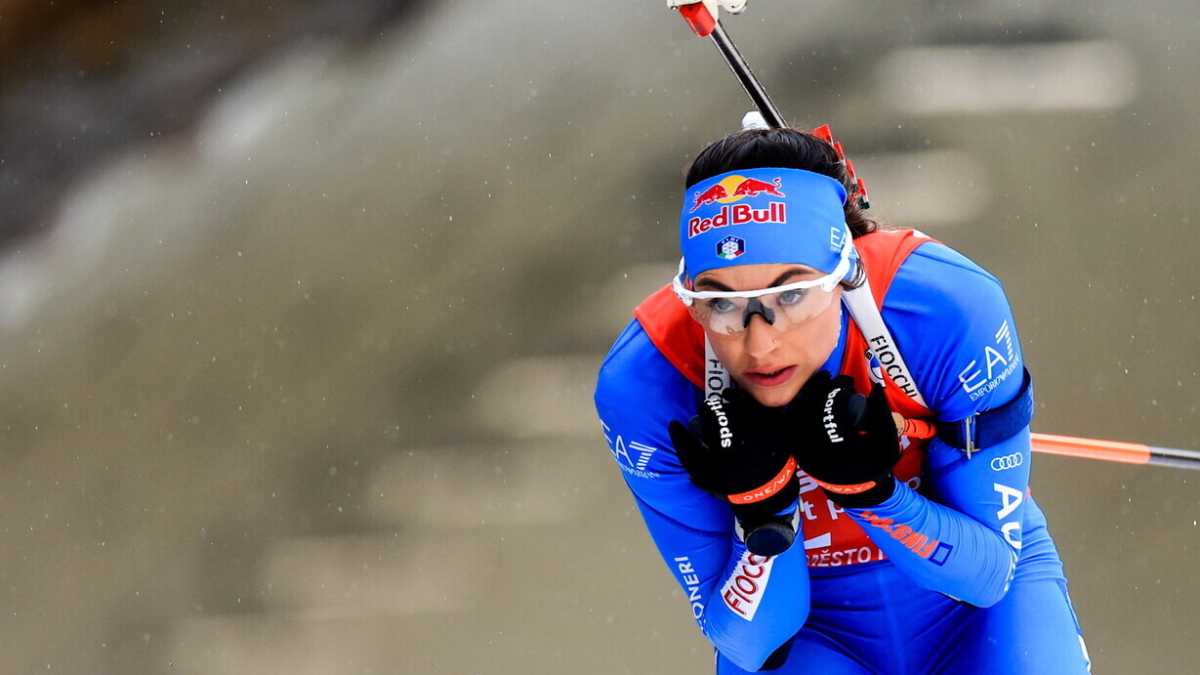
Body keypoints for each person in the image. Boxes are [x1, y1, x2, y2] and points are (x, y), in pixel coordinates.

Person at [592, 125, 1091, 674]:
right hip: (811, 638)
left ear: (844, 273)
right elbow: (753, 644)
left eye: (793, 294)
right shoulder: (645, 379)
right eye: (721, 303)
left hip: (973, 616)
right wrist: (765, 511)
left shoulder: (942, 307)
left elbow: (988, 576)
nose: (761, 343)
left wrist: (872, 493)